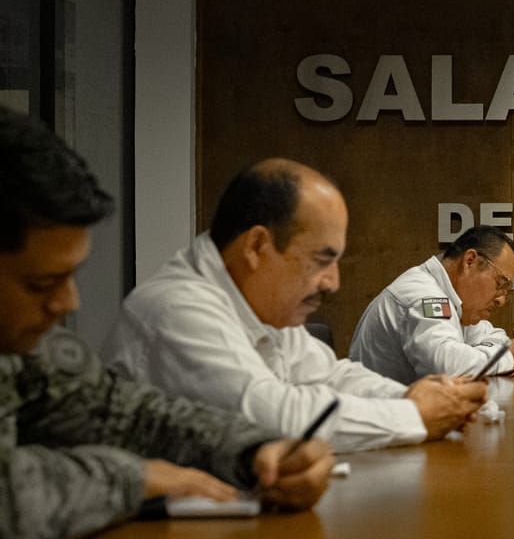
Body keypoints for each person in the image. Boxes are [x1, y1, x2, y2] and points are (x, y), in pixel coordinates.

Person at [0, 110, 331, 539]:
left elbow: (121, 411)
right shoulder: (177, 303)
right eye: (39, 284)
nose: (68, 304)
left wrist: (253, 451)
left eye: (71, 276)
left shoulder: (23, 348)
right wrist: (135, 478)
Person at [103, 159, 484, 453]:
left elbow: (331, 376)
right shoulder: (177, 310)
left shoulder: (258, 305)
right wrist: (415, 415)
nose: (333, 282)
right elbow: (273, 417)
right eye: (321, 260)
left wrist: (424, 399)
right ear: (257, 247)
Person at [349, 225, 514, 383]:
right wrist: (506, 356)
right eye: (500, 283)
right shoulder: (423, 296)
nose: (501, 300)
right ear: (470, 261)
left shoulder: (453, 300)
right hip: (381, 420)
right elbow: (445, 366)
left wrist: (480, 356)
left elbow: (495, 336)